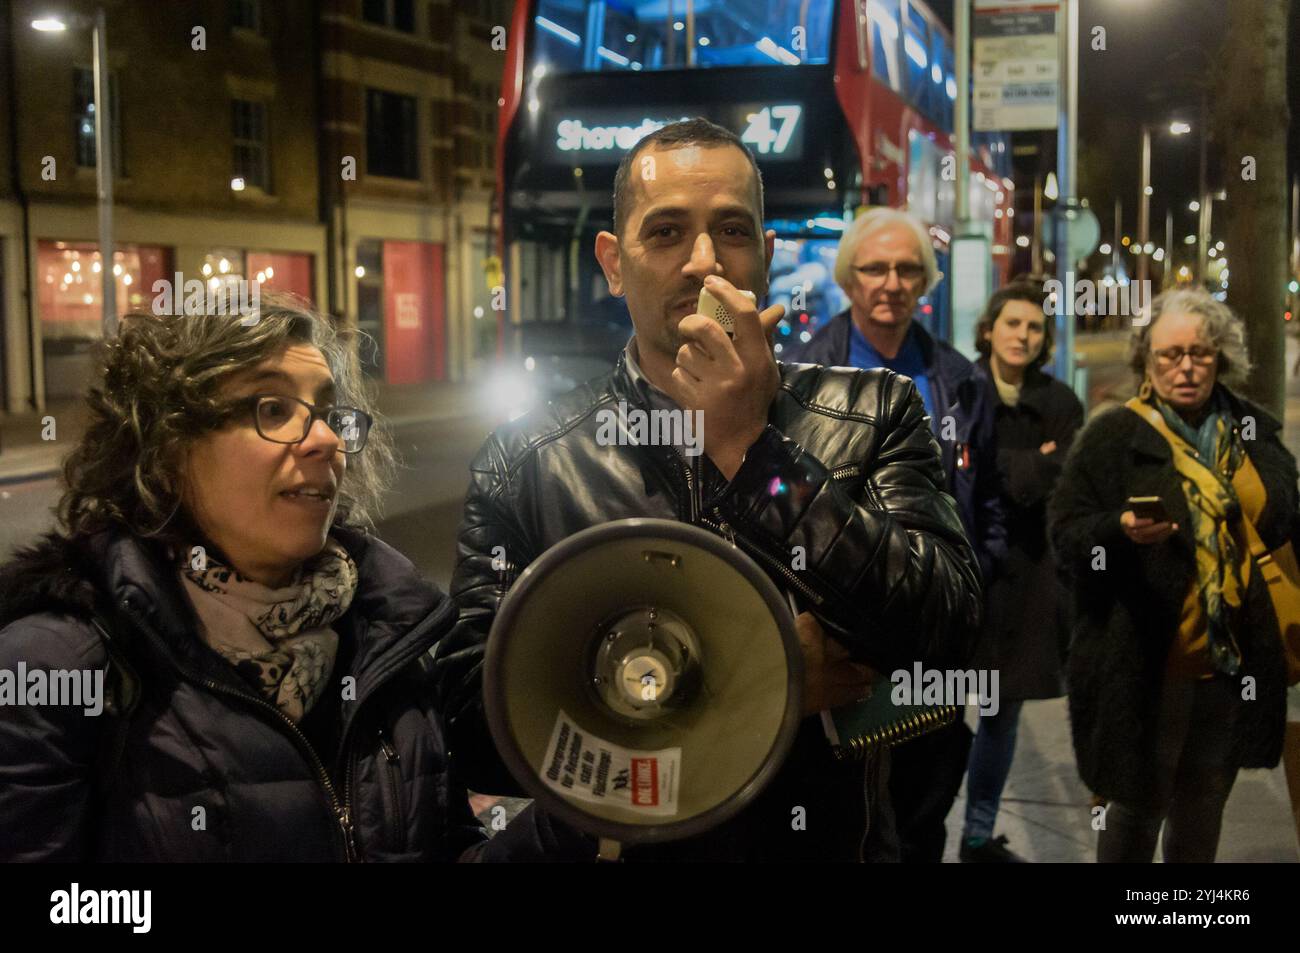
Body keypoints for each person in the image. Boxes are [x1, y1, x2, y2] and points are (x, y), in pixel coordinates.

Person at [435, 118, 983, 861]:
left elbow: (949, 632)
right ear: (614, 262)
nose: (703, 261)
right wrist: (760, 690)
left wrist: (752, 453)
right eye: (665, 232)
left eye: (731, 229)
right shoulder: (526, 460)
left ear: (765, 252)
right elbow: (473, 726)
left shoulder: (873, 410)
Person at [0, 293, 577, 862]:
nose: (325, 440)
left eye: (329, 414)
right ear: (167, 447)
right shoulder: (56, 667)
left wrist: (571, 826)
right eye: (272, 409)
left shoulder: (387, 637)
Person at [792, 207, 1007, 863]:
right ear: (849, 279)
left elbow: (990, 497)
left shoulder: (961, 378)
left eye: (907, 267)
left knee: (921, 815)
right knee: (839, 817)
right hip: (839, 634)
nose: (891, 281)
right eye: (875, 267)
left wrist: (978, 571)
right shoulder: (801, 375)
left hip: (932, 633)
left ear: (926, 280)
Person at [1049, 288, 1294, 863]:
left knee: (1201, 818)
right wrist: (1118, 530)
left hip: (1229, 668)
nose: (1185, 368)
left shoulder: (1250, 430)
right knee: (1131, 819)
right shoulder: (1114, 435)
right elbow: (1066, 537)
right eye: (1169, 355)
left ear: (1221, 358)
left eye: (1200, 354)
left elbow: (1286, 512)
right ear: (1147, 360)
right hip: (1141, 670)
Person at [959, 281, 1083, 862]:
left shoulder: (1061, 402)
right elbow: (952, 475)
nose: (1022, 336)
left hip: (1029, 580)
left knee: (1000, 715)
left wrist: (997, 467)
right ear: (989, 329)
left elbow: (1057, 483)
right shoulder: (958, 391)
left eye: (1034, 328)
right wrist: (1032, 462)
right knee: (934, 710)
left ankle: (977, 837)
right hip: (965, 570)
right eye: (1012, 324)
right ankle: (919, 832)